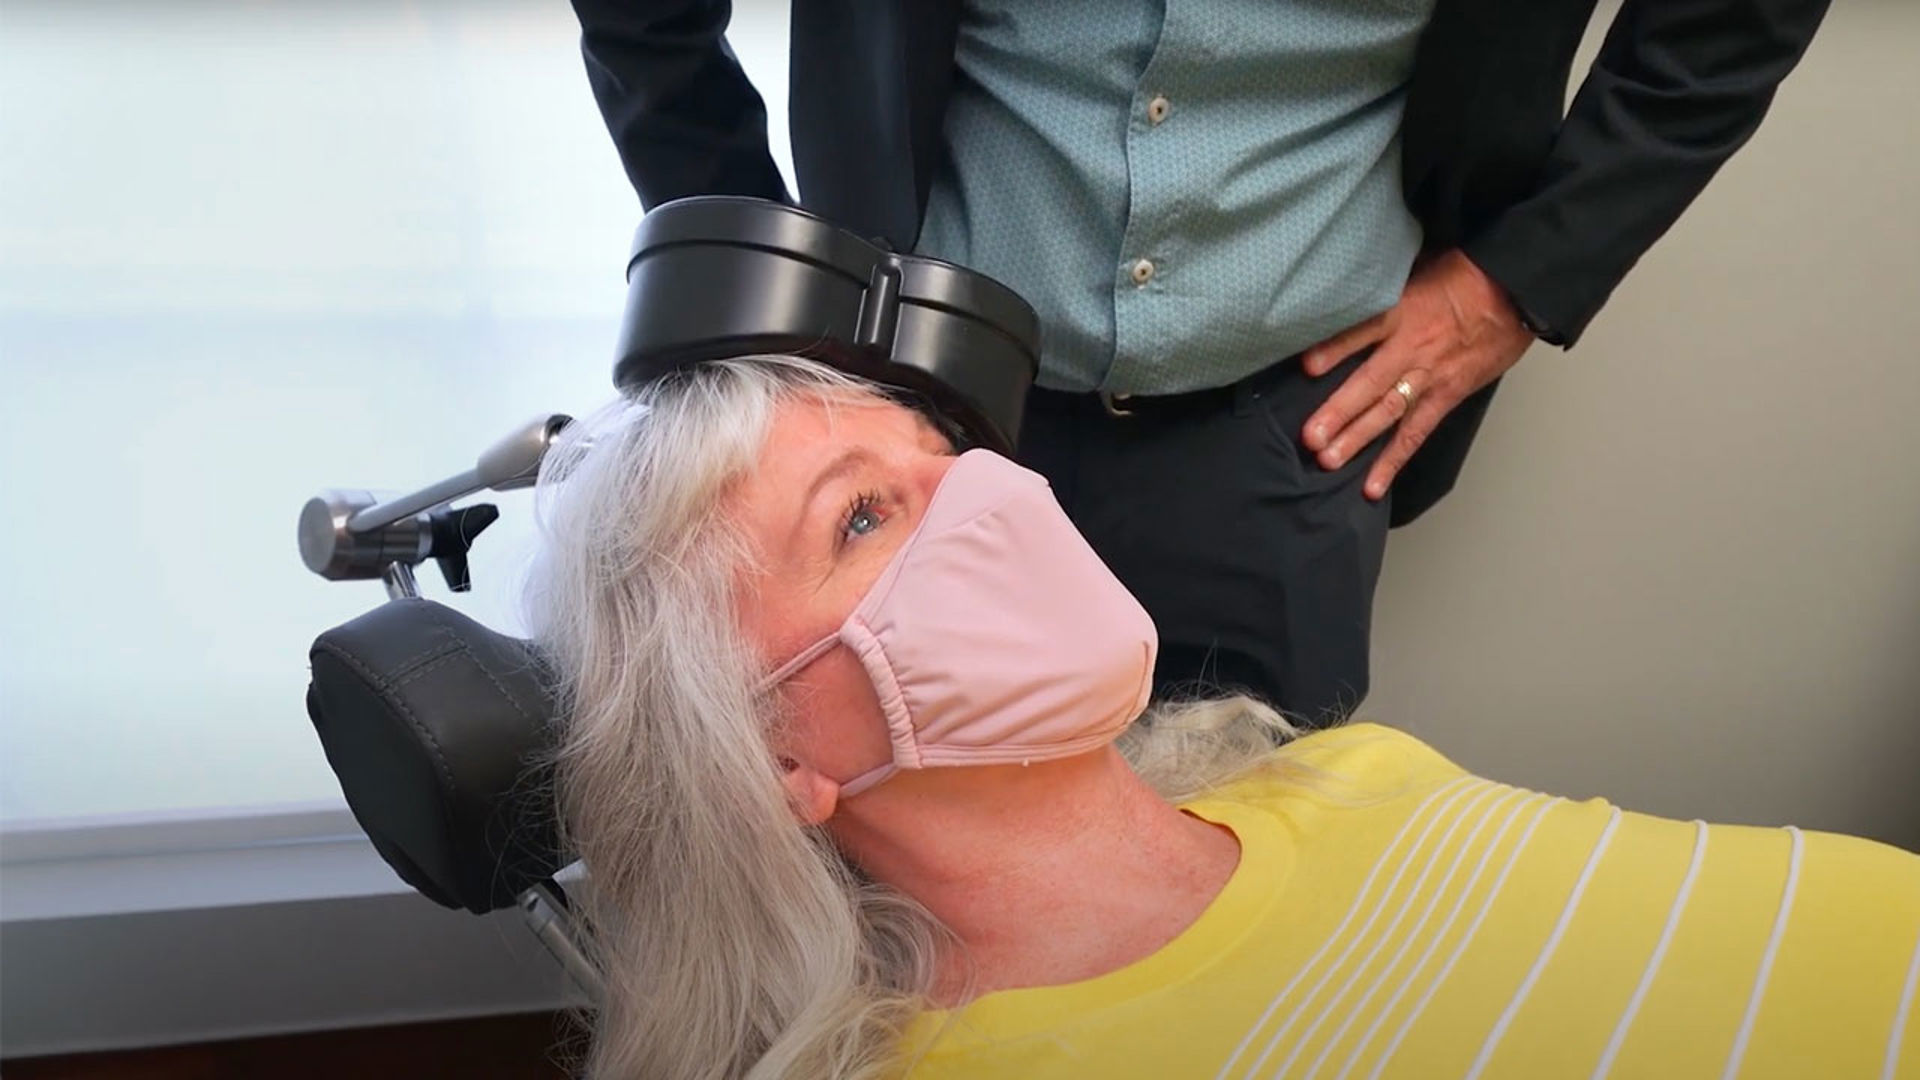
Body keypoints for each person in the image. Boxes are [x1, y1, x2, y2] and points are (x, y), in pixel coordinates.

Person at [524, 356, 1919, 1080]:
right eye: (866, 515)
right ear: (766, 758)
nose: (990, 495)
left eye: (944, 451)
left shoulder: (1332, 770)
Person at [565, 0, 1831, 724]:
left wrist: (1517, 279)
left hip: (1291, 431)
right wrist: (766, 283)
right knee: (892, 931)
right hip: (915, 417)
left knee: (1249, 927)